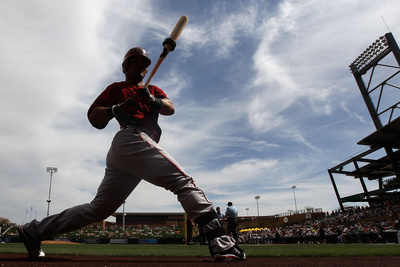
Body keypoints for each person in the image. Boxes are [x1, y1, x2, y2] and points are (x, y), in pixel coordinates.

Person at [17, 47, 245, 261]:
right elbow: (94, 116)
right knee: (182, 181)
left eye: (144, 64)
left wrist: (151, 100)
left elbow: (170, 108)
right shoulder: (116, 88)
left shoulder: (152, 90)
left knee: (100, 209)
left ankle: (34, 230)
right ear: (125, 67)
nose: (140, 67)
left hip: (131, 150)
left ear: (147, 69)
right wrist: (117, 108)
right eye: (134, 62)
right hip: (130, 139)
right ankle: (220, 241)